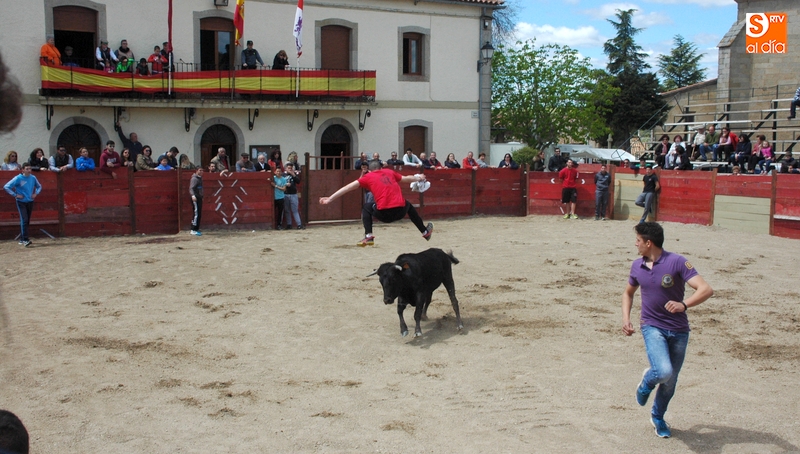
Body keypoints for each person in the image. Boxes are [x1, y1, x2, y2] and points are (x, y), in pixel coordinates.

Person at [622, 222, 713, 438]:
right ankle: (647, 381)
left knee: (670, 381)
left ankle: (658, 417)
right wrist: (626, 318)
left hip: (679, 329)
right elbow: (628, 293)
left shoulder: (677, 262)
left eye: (638, 240)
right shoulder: (637, 266)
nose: (636, 244)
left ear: (648, 242)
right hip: (652, 326)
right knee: (663, 372)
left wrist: (685, 304)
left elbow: (706, 289)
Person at [319, 160, 433, 246]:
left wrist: (330, 198)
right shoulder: (389, 172)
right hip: (400, 212)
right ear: (381, 167)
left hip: (383, 214)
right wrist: (418, 178)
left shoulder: (368, 176)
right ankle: (424, 231)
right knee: (408, 205)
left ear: (370, 169)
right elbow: (406, 179)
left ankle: (368, 235)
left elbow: (348, 187)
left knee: (366, 207)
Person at [4, 162, 42, 247]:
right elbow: (6, 186)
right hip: (21, 201)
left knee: (26, 220)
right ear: (23, 170)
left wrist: (36, 193)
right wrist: (15, 195)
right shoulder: (18, 178)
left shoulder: (33, 178)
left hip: (30, 201)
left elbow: (39, 186)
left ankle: (22, 238)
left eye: (30, 169)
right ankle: (25, 239)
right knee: (24, 220)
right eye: (27, 169)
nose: (29, 170)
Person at [284, 162, 304, 229]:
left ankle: (299, 224)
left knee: (295, 210)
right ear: (286, 168)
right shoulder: (283, 175)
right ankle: (289, 224)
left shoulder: (294, 174)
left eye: (291, 168)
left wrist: (293, 174)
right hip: (285, 194)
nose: (290, 169)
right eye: (288, 168)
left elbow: (298, 181)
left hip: (293, 194)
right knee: (287, 210)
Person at [189, 167, 204, 236]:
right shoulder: (195, 179)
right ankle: (193, 229)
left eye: (202, 170)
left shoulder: (199, 178)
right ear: (196, 171)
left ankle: (196, 228)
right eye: (200, 170)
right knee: (196, 213)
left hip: (199, 197)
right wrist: (193, 195)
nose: (201, 172)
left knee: (198, 213)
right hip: (196, 197)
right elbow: (191, 188)